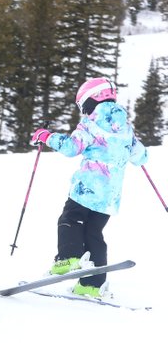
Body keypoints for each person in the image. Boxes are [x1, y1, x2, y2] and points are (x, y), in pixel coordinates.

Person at [30, 77, 147, 298]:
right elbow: (141, 156)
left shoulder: (90, 123)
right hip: (110, 195)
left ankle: (69, 258)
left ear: (91, 100)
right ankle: (92, 285)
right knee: (94, 232)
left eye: (83, 106)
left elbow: (72, 148)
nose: (83, 112)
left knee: (70, 220)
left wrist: (47, 137)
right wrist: (132, 145)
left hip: (88, 187)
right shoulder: (125, 127)